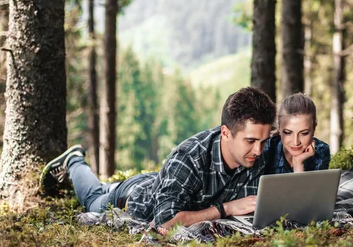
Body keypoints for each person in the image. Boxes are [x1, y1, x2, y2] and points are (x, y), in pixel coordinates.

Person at [41, 87, 277, 231]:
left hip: (164, 184)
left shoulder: (262, 151)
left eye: (263, 141)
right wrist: (227, 208)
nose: (258, 150)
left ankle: (105, 181)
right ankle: (74, 160)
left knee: (110, 187)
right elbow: (166, 223)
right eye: (250, 141)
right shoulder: (189, 158)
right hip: (133, 198)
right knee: (94, 198)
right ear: (226, 133)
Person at [263, 93, 330, 174]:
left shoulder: (321, 151)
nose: (296, 142)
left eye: (304, 133)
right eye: (288, 133)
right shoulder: (264, 149)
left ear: (314, 128)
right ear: (279, 128)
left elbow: (313, 187)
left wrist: (298, 163)